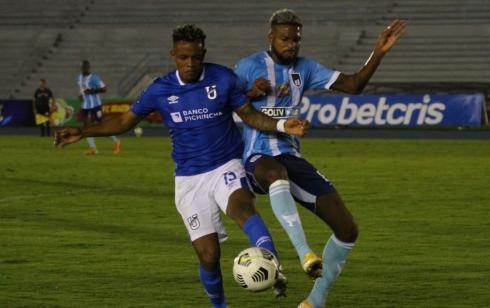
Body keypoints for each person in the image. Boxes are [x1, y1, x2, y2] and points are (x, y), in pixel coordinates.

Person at [56, 24, 309, 308]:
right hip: (189, 178)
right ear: (174, 55)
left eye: (196, 58)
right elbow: (124, 122)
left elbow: (249, 115)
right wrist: (83, 131)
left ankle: (272, 267)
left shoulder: (222, 78)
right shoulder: (159, 90)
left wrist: (280, 124)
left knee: (242, 208)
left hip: (226, 163)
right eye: (183, 58)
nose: (190, 64)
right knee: (208, 255)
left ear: (203, 54)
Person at [234, 9, 406, 308]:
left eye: (296, 39)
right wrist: (249, 93)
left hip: (290, 156)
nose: (291, 44)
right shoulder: (248, 66)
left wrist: (377, 52)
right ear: (271, 38)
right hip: (256, 158)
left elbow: (354, 85)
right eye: (285, 39)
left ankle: (315, 301)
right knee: (276, 173)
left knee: (347, 228)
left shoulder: (306, 68)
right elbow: (226, 106)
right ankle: (304, 253)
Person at [77, 60, 121, 155]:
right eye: (81, 67)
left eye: (84, 67)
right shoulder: (79, 78)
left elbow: (104, 88)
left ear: (88, 68)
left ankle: (116, 142)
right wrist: (81, 95)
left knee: (103, 126)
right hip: (85, 106)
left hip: (95, 105)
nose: (82, 69)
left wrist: (91, 91)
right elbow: (81, 90)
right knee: (86, 127)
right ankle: (93, 148)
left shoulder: (94, 78)